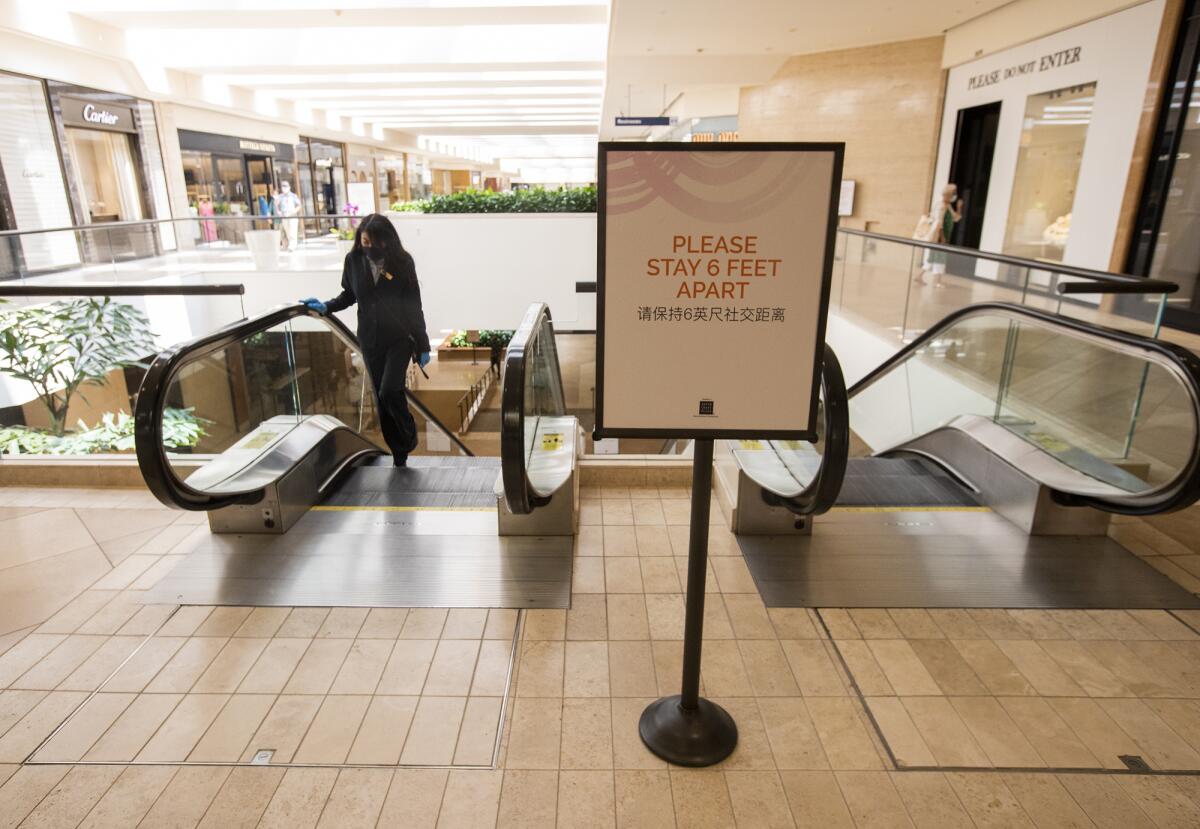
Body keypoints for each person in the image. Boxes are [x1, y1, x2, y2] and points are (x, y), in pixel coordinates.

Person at [300, 214, 432, 466]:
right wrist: (326, 306)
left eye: (375, 243)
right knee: (382, 401)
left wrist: (424, 344)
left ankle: (408, 435)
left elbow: (414, 305)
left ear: (387, 242)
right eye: (365, 242)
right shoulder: (354, 260)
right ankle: (399, 454)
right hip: (370, 342)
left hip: (399, 338)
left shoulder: (402, 262)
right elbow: (349, 295)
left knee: (390, 389)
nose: (369, 248)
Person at [914, 183, 962, 287]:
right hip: (939, 237)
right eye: (953, 193)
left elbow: (956, 218)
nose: (955, 195)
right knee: (939, 258)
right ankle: (937, 281)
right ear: (948, 195)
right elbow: (939, 224)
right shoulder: (941, 206)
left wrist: (959, 207)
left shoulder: (948, 206)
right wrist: (942, 237)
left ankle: (920, 276)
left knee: (933, 257)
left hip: (943, 236)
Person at [274, 180, 302, 251]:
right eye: (283, 187)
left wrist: (294, 211)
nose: (284, 188)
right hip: (284, 216)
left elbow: (299, 205)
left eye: (286, 187)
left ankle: (292, 246)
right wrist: (278, 211)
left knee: (293, 231)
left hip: (292, 216)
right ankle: (290, 244)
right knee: (288, 231)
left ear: (289, 187)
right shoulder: (280, 196)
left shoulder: (293, 196)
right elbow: (276, 205)